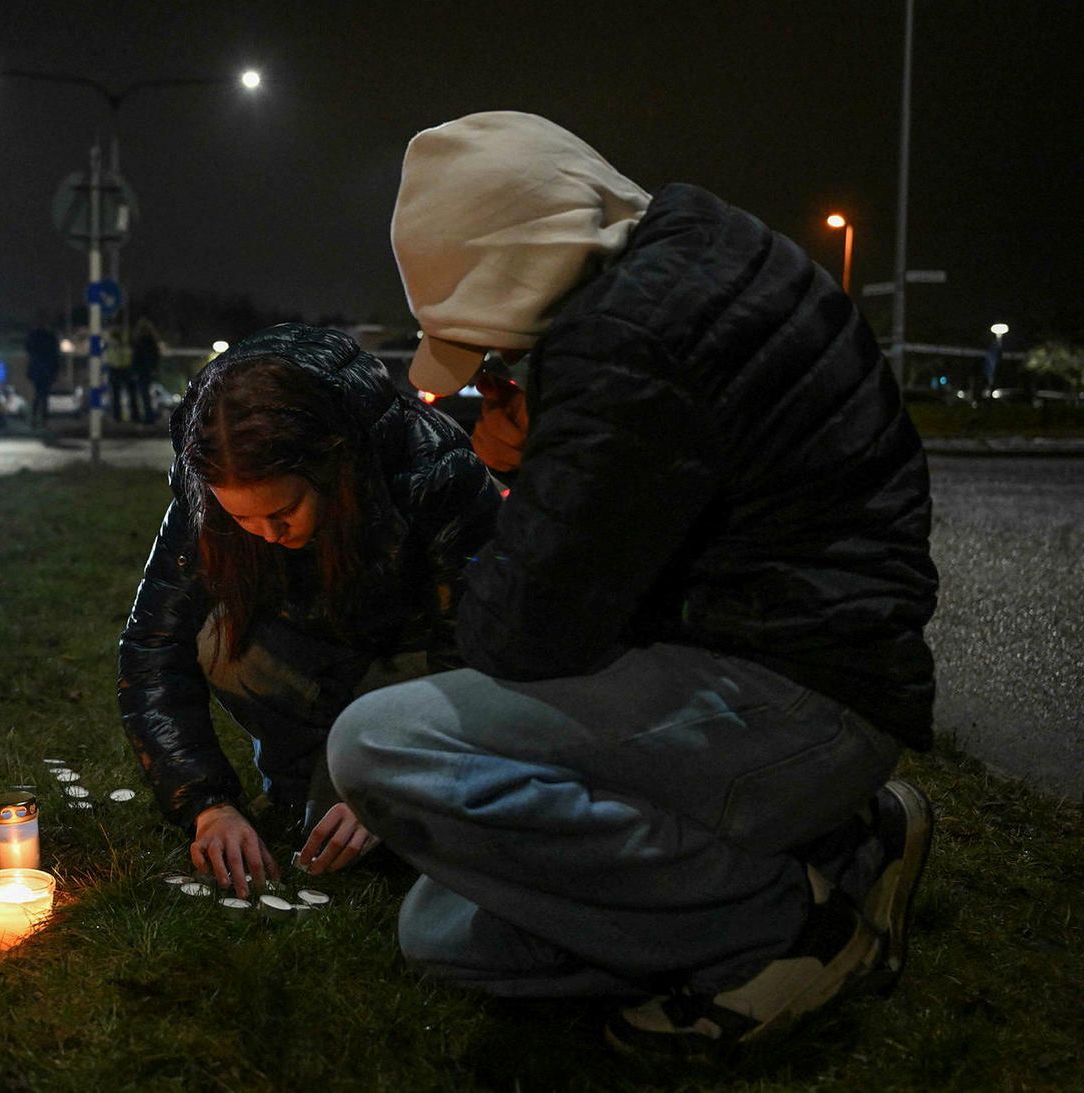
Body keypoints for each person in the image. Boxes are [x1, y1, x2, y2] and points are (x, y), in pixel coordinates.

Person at [326, 112, 939, 1057]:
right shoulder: (694, 243)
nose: (493, 376)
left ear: (513, 269)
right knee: (441, 932)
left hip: (794, 697)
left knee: (376, 745)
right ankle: (841, 849)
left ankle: (783, 934)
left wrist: (521, 467)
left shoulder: (623, 347)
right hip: (810, 672)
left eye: (486, 350)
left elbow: (518, 636)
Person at [117, 323, 502, 898]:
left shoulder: (433, 473)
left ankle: (352, 777)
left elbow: (475, 650)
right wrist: (207, 804)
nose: (267, 535)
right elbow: (153, 647)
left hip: (408, 663)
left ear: (333, 471)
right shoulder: (206, 497)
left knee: (386, 836)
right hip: (308, 653)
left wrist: (392, 786)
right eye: (243, 519)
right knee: (218, 640)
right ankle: (302, 781)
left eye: (284, 511)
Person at [24, 321, 61, 430]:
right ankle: (42, 420)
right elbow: (55, 354)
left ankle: (35, 420)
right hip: (46, 370)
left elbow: (28, 349)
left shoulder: (34, 336)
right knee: (44, 396)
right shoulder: (50, 337)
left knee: (39, 395)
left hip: (38, 370)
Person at [130, 317, 163, 424]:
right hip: (148, 371)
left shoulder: (139, 342)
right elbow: (155, 357)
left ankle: (147, 417)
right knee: (149, 394)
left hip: (141, 371)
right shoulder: (152, 342)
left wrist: (135, 370)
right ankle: (151, 415)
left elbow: (137, 358)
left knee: (144, 395)